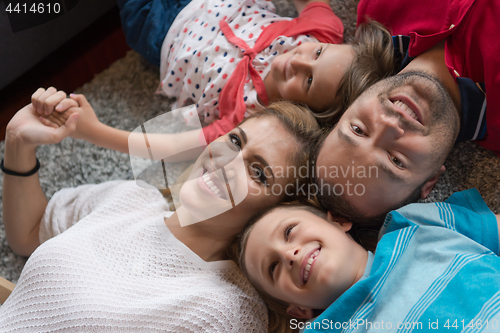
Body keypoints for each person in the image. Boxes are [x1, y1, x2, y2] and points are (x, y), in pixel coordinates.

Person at [0, 94, 320, 331]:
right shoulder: (131, 197)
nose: (227, 162)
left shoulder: (226, 309)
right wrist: (18, 144)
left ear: (276, 212)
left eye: (259, 173)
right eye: (235, 141)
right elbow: (29, 234)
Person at [314, 0, 499, 221]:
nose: (390, 124)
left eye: (358, 130)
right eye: (396, 161)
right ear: (430, 180)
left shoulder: (375, 13)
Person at [239, 190, 500, 332]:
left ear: (338, 221)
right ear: (299, 311)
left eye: (289, 232)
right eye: (272, 268)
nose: (288, 255)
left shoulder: (412, 223)